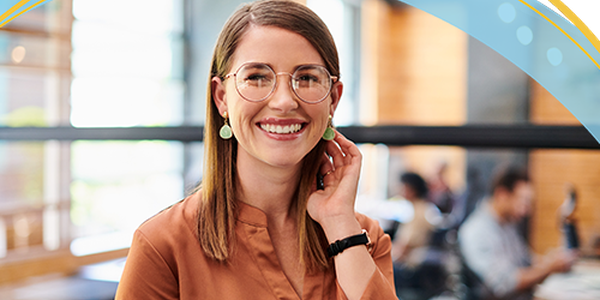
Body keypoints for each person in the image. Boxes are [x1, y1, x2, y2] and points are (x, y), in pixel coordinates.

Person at [115, 1, 397, 299]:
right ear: (221, 97)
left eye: (307, 78)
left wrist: (339, 222)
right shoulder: (163, 245)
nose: (285, 101)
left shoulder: (364, 238)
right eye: (257, 77)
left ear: (333, 100)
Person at [458, 167, 577, 300]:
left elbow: (526, 261)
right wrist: (549, 268)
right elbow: (507, 284)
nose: (527, 210)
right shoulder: (476, 231)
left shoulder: (507, 224)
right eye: (523, 201)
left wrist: (552, 260)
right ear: (502, 195)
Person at [392, 172, 447, 299]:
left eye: (402, 187)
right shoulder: (426, 209)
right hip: (419, 265)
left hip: (410, 269)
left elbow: (403, 249)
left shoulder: (418, 214)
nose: (399, 190)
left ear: (411, 189)